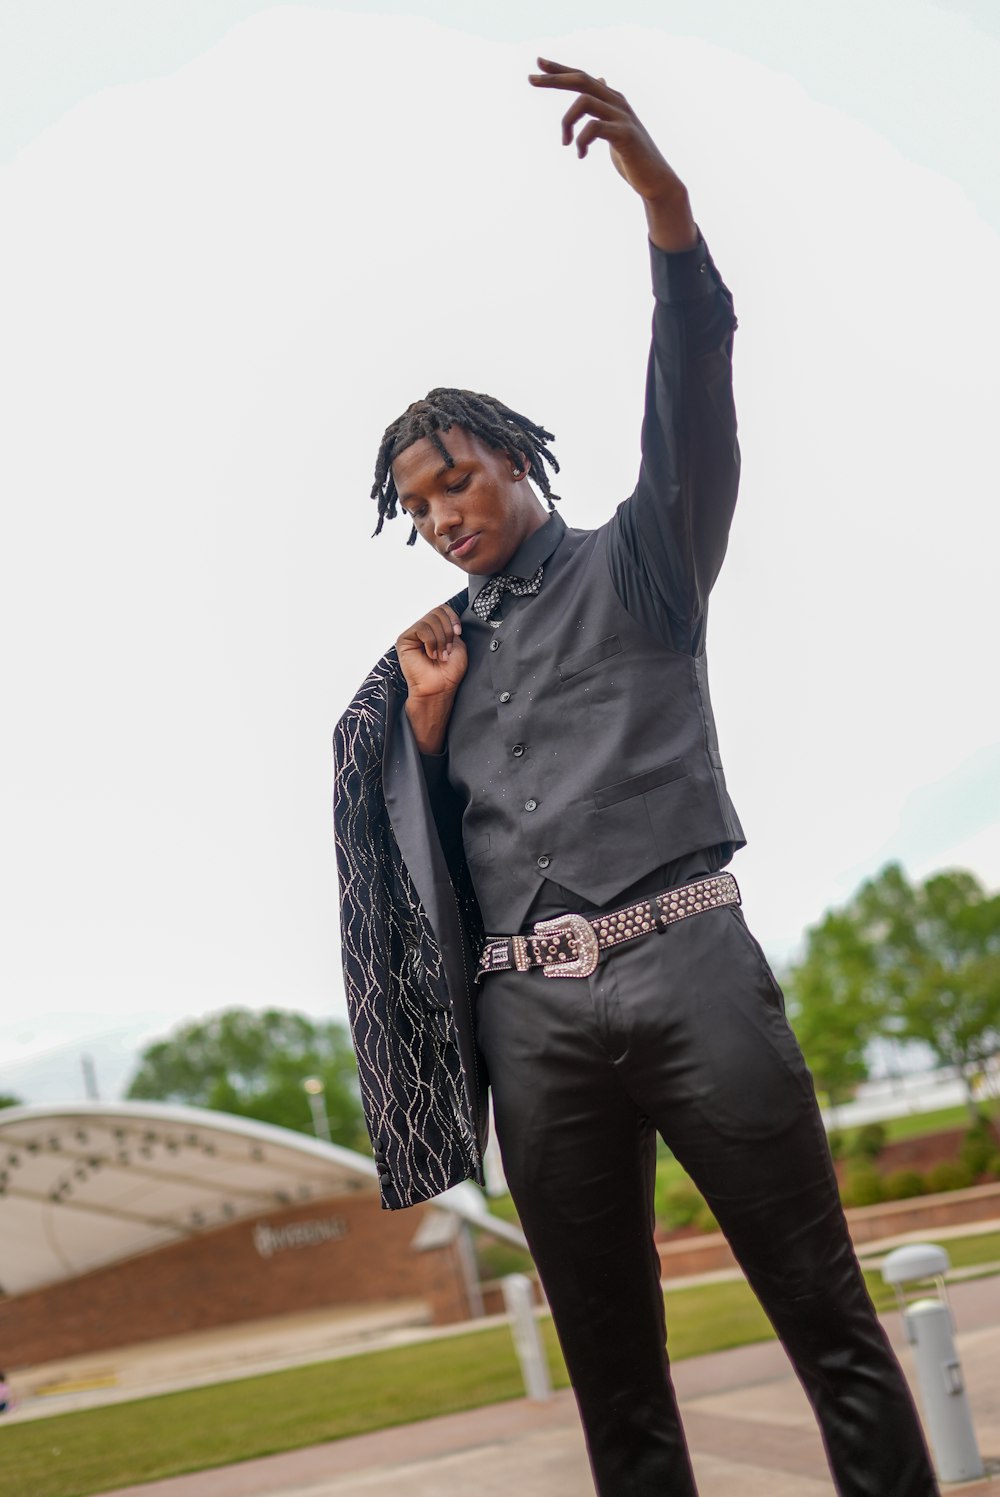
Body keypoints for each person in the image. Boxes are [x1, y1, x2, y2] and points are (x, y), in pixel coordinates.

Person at [333, 59, 938, 1496]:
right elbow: (409, 880)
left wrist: (666, 210)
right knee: (615, 1382)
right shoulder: (425, 666)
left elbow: (694, 398)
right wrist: (420, 739)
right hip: (530, 1025)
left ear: (520, 462)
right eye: (417, 505)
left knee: (825, 1315)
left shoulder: (644, 562)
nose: (443, 516)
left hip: (692, 971)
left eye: (460, 479)